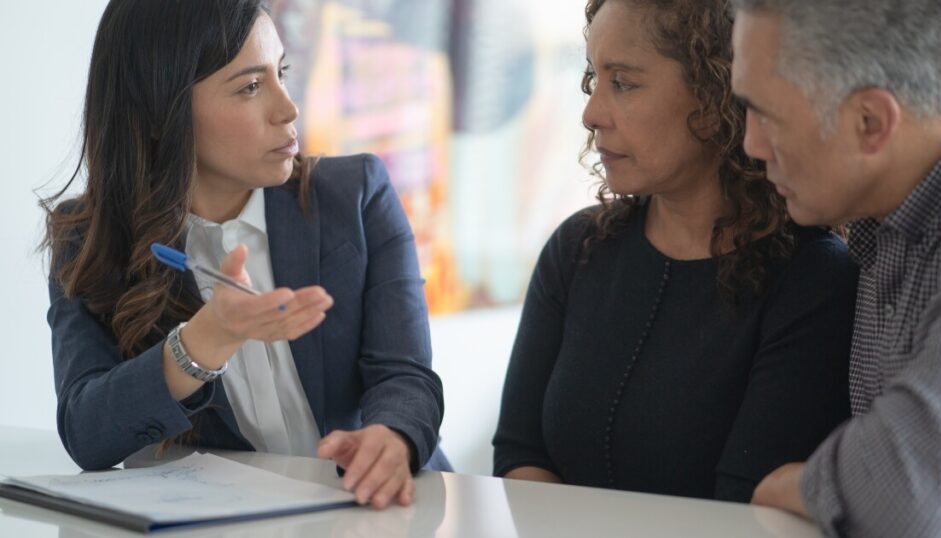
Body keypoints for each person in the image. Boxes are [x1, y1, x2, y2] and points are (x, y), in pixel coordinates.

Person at [41, 0, 447, 509]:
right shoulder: (86, 238)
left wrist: (393, 438)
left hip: (375, 510)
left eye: (282, 73)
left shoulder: (358, 194)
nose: (288, 108)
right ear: (157, 113)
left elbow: (406, 375)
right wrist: (206, 340)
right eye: (251, 87)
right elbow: (87, 435)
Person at [491, 0, 857, 502]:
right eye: (592, 79)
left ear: (716, 93)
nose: (591, 113)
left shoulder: (813, 279)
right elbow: (519, 454)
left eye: (622, 82)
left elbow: (744, 505)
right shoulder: (577, 249)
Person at [730, 0, 941, 535]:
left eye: (765, 114)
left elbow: (913, 493)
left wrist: (803, 483)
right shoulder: (898, 212)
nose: (750, 144)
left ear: (871, 123)